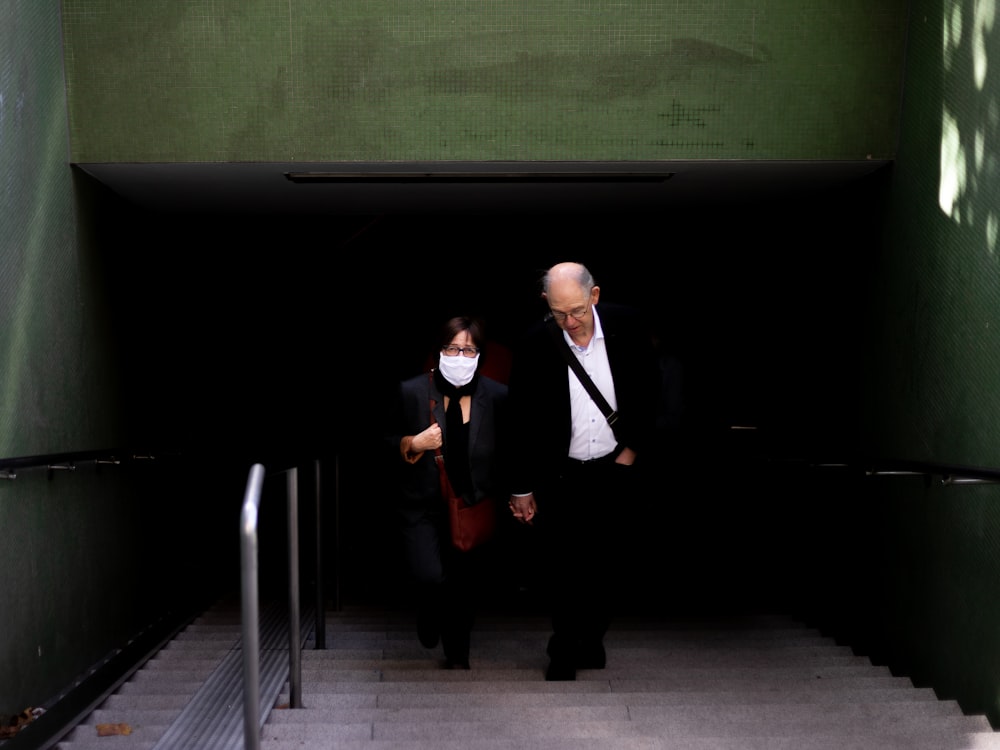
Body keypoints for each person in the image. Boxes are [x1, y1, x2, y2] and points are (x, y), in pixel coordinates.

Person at [506, 262, 659, 681]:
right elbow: (518, 418)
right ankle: (563, 650)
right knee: (565, 568)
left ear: (594, 296)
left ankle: (592, 637)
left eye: (576, 311)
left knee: (609, 566)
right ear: (546, 304)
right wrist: (520, 487)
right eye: (558, 313)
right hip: (562, 474)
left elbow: (651, 393)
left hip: (617, 469)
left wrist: (630, 453)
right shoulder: (535, 343)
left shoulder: (628, 325)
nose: (569, 322)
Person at [386, 315, 508, 669]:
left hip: (472, 503)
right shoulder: (411, 392)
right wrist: (413, 442)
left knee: (464, 585)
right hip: (422, 505)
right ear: (439, 351)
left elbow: (510, 450)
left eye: (469, 349)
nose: (459, 356)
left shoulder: (497, 397)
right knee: (430, 577)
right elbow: (382, 442)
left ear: (480, 355)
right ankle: (429, 612)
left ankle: (458, 655)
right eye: (452, 348)